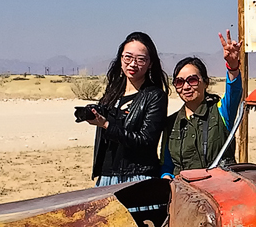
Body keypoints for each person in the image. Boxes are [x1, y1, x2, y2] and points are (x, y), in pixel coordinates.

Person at [85, 32, 169, 186]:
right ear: (121, 59)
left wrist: (106, 125)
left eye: (140, 59)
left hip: (138, 177)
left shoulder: (155, 96)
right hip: (106, 176)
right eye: (128, 57)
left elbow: (146, 141)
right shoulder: (112, 93)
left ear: (150, 63)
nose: (133, 64)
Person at [161, 32, 244, 175]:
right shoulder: (171, 123)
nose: (186, 87)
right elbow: (166, 165)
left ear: (206, 82)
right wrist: (166, 177)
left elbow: (234, 92)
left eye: (192, 80)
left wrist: (232, 66)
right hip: (183, 188)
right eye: (179, 82)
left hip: (219, 186)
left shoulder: (221, 112)